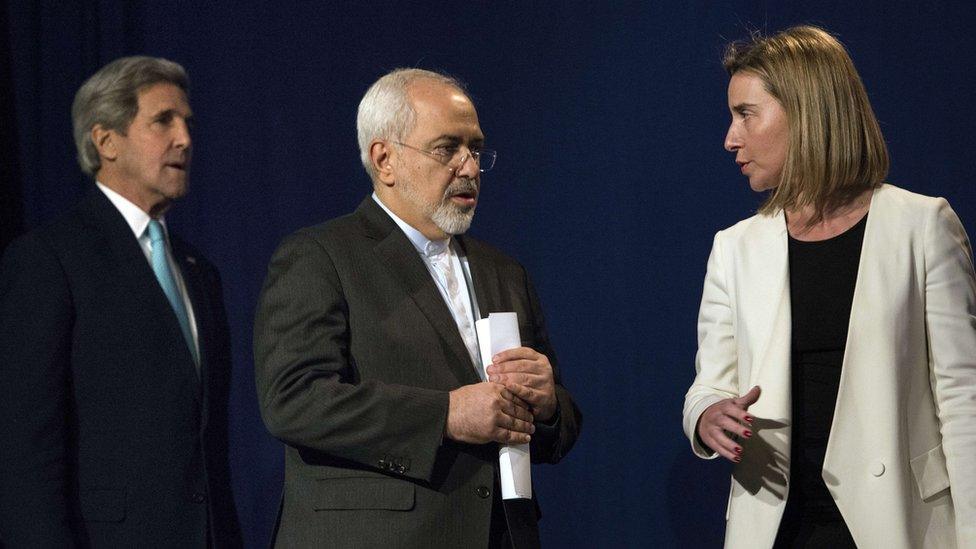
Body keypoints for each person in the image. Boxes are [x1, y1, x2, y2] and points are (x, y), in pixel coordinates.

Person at [253, 68, 581, 548]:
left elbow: (561, 427)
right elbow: (294, 400)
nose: (469, 167)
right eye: (447, 148)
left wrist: (548, 403)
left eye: (475, 149)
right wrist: (446, 414)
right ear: (384, 160)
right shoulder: (321, 255)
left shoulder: (504, 272)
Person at [682, 26, 976, 548]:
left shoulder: (922, 226)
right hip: (778, 524)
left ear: (806, 111)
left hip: (895, 524)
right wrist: (705, 414)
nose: (730, 137)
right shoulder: (735, 248)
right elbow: (711, 381)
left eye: (745, 114)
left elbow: (963, 399)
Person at [0, 57, 241, 547]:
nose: (185, 139)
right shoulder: (50, 260)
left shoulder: (199, 272)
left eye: (187, 123)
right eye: (163, 121)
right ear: (106, 141)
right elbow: (26, 452)